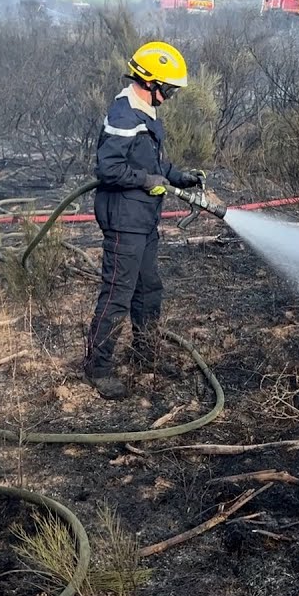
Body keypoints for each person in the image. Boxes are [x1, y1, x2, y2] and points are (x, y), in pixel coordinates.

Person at [82, 41, 203, 399]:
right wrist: (146, 180)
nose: (169, 96)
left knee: (148, 290)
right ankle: (97, 368)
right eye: (168, 89)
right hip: (124, 219)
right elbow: (108, 169)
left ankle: (145, 354)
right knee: (117, 295)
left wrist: (178, 176)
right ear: (149, 82)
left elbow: (152, 162)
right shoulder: (123, 116)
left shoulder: (144, 112)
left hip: (144, 218)